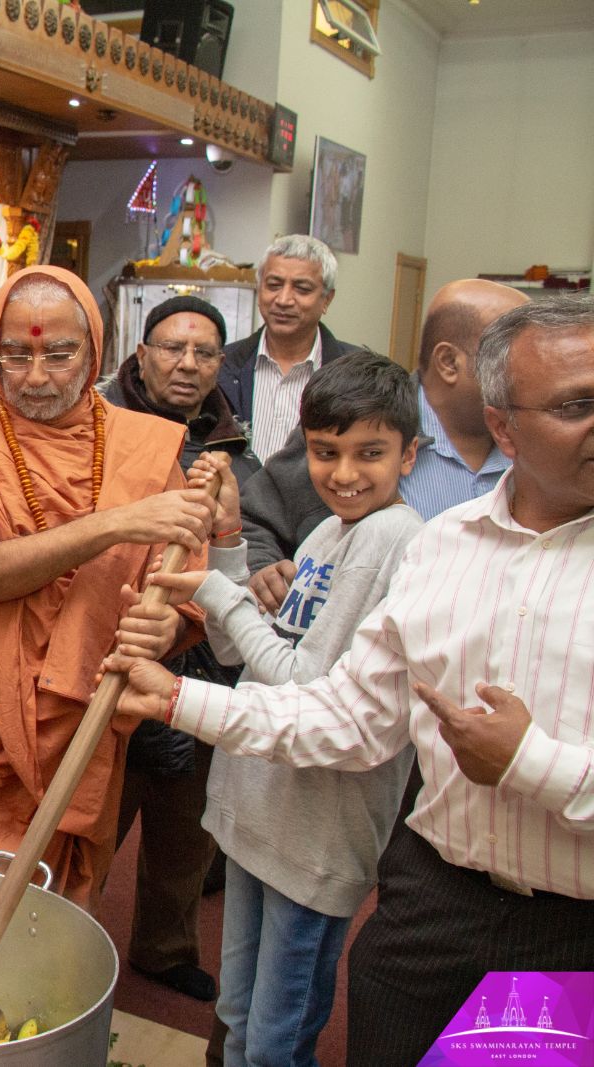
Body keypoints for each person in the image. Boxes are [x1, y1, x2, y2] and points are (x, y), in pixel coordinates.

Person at [109, 295, 594, 1067]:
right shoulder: (354, 535)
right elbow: (266, 665)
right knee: (240, 1018)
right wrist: (229, 547)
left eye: (370, 453)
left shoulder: (395, 538)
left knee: (276, 1037)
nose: (343, 473)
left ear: (410, 454)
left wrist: (209, 594)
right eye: (327, 452)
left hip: (321, 838)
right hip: (274, 819)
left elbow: (302, 680)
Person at [0, 265, 211, 909]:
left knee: (66, 907)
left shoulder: (144, 446)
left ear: (94, 350)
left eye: (58, 352)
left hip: (90, 712)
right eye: (14, 354)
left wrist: (170, 629)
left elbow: (182, 595)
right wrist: (114, 525)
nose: (36, 376)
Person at [100, 294, 259, 1001]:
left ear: (220, 363)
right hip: (114, 643)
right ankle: (57, 940)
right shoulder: (101, 424)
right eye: (172, 348)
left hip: (200, 660)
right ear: (142, 353)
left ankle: (165, 948)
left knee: (186, 824)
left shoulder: (233, 440)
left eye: (203, 352)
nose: (187, 363)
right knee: (93, 816)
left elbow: (239, 540)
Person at [240, 279, 529, 599]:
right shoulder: (356, 424)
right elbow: (254, 517)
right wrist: (263, 568)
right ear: (449, 362)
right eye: (513, 358)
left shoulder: (535, 446)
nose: (531, 373)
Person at [218, 234, 360, 462]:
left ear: (327, 300)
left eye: (302, 289)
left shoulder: (356, 376)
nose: (283, 300)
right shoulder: (222, 365)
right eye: (273, 285)